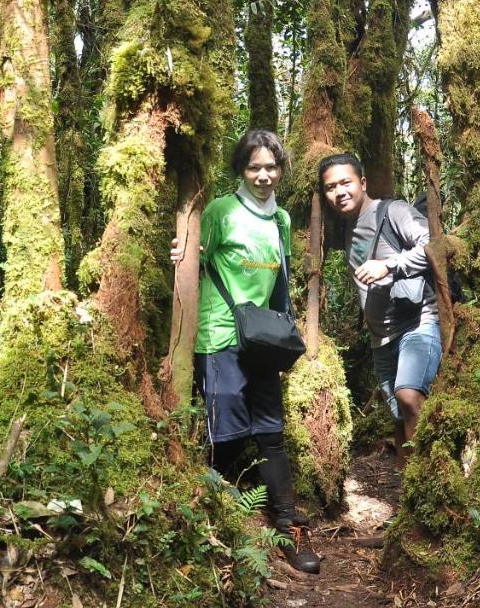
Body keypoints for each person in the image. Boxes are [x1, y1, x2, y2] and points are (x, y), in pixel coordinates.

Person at [170, 129, 320, 574]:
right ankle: (220, 521)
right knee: (227, 427)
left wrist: (282, 340)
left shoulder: (281, 221)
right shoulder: (220, 210)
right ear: (241, 169)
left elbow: (280, 284)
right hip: (219, 336)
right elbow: (194, 253)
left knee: (271, 431)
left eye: (271, 167)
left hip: (261, 343)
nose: (263, 175)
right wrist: (183, 249)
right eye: (254, 167)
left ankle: (287, 525)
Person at [318, 153, 441, 466]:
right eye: (330, 187)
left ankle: (423, 483)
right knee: (398, 418)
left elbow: (433, 246)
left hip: (418, 323)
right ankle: (407, 501)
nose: (339, 191)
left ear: (362, 182)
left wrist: (389, 266)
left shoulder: (393, 211)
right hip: (380, 340)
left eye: (346, 182)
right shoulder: (345, 228)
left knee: (410, 398)